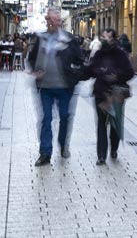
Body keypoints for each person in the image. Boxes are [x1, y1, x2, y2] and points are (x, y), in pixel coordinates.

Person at [27, 9, 88, 167]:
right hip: (45, 87)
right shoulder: (41, 38)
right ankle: (45, 153)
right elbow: (31, 58)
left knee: (65, 117)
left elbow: (81, 61)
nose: (56, 22)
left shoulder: (68, 39)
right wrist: (35, 70)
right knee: (46, 119)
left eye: (58, 20)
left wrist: (74, 76)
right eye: (53, 19)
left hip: (64, 87)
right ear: (47, 20)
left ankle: (63, 144)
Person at [86, 28, 135, 165]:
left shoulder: (120, 54)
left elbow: (130, 72)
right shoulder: (99, 54)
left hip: (116, 94)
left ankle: (114, 148)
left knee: (114, 123)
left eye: (107, 37)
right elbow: (90, 70)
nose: (105, 40)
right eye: (103, 37)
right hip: (101, 93)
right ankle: (101, 155)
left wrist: (117, 76)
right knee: (101, 124)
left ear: (114, 39)